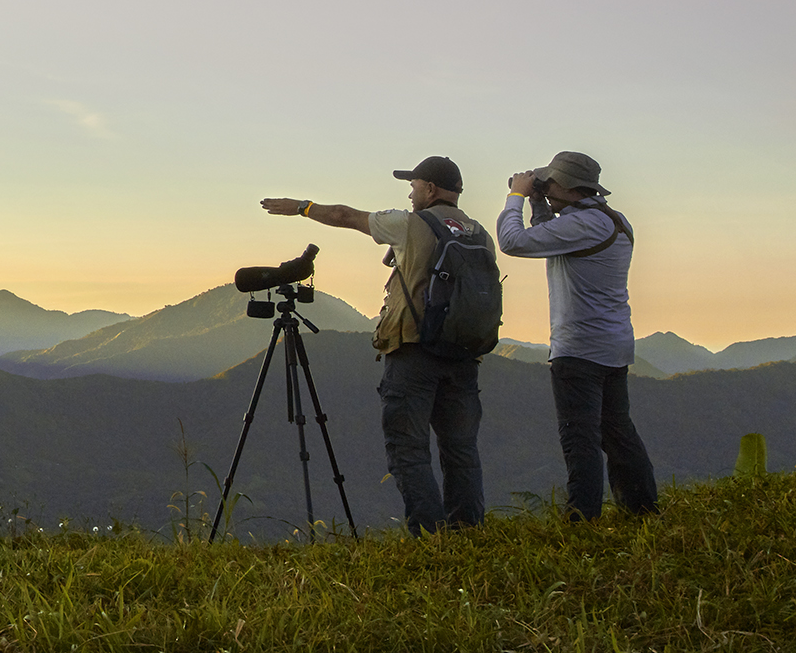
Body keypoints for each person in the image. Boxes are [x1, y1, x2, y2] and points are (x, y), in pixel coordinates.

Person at [258, 156, 488, 533]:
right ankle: (468, 531)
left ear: (430, 188)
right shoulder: (478, 232)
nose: (410, 193)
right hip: (464, 353)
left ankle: (431, 537)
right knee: (461, 450)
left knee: (408, 449)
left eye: (413, 185)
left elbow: (347, 216)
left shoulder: (411, 223)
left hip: (414, 351)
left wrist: (302, 208)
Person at [498, 150, 659, 519]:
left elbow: (514, 242)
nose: (546, 188)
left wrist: (517, 197)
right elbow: (547, 238)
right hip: (613, 345)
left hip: (580, 350)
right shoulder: (611, 221)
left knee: (579, 436)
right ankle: (642, 508)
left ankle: (582, 517)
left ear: (568, 187)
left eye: (550, 183)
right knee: (617, 431)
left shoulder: (583, 225)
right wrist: (541, 204)